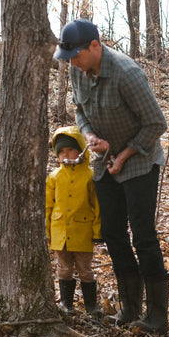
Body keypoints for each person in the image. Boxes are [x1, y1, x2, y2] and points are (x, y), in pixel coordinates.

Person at [53, 19, 169, 335]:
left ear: (95, 46)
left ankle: (158, 317)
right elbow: (79, 109)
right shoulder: (78, 70)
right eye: (69, 57)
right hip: (103, 162)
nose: (72, 63)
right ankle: (130, 308)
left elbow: (156, 124)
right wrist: (89, 135)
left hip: (140, 161)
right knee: (113, 233)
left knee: (143, 234)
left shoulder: (126, 73)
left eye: (76, 55)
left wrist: (124, 154)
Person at [45, 125, 102, 316]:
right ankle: (66, 304)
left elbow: (97, 206)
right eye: (61, 151)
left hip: (83, 231)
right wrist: (47, 232)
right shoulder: (54, 177)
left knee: (85, 269)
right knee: (64, 269)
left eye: (70, 149)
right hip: (60, 232)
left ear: (80, 149)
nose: (65, 154)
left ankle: (91, 307)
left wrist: (97, 232)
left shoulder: (90, 176)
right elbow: (48, 207)